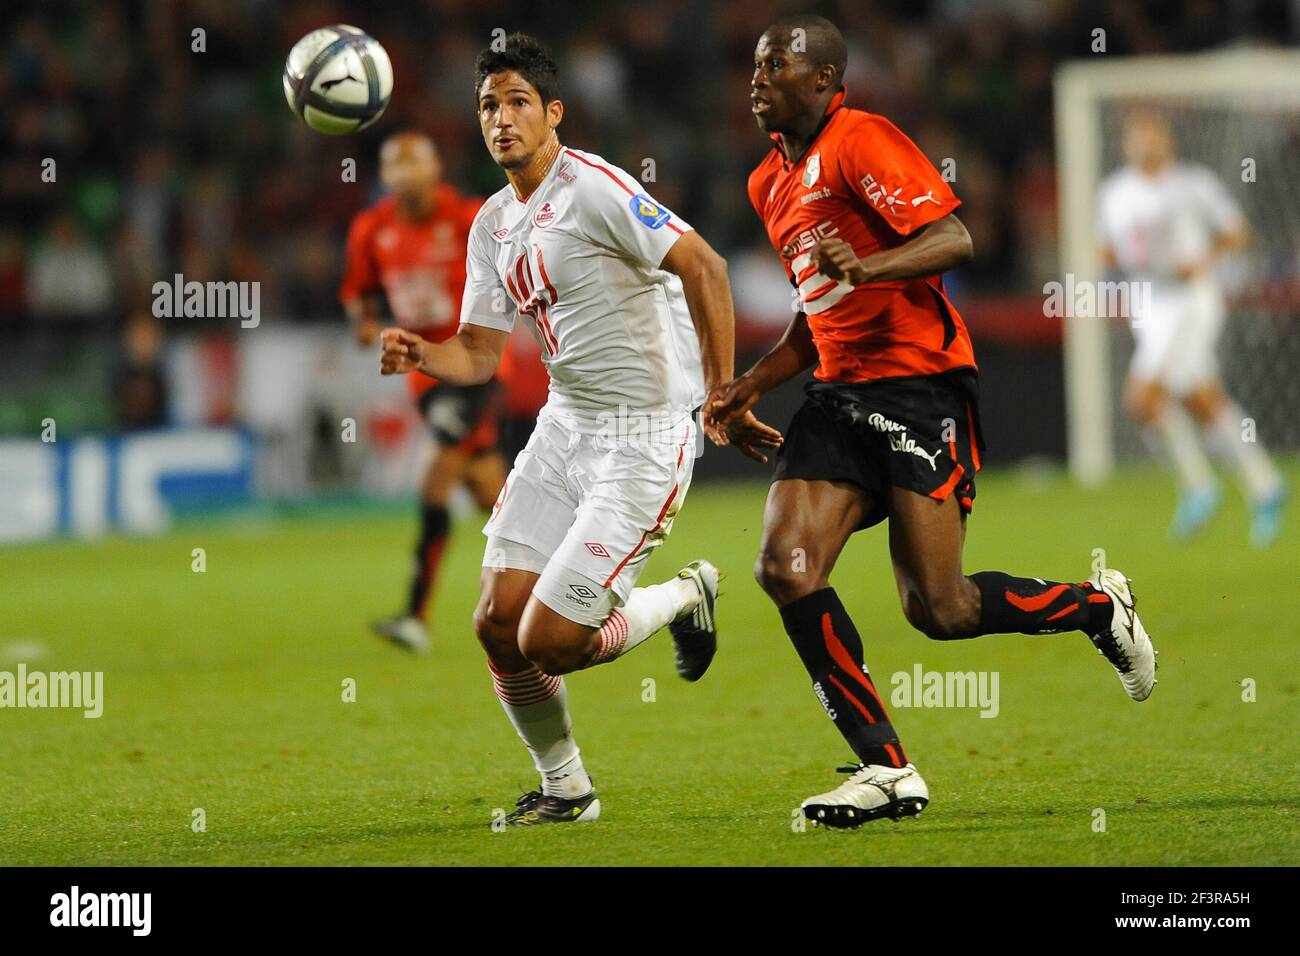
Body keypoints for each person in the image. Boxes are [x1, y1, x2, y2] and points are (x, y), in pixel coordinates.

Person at [706, 15, 1156, 829]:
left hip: (920, 386)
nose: (757, 77)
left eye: (777, 65)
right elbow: (820, 314)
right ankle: (886, 768)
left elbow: (954, 236)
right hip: (839, 395)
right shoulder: (766, 184)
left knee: (939, 610)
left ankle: (1098, 609)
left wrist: (870, 263)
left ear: (823, 80)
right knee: (785, 564)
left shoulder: (862, 141)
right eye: (755, 63)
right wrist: (751, 383)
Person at [380, 34, 777, 825]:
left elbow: (705, 266)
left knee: (552, 641)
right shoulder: (492, 223)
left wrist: (720, 391)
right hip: (566, 427)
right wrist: (422, 352)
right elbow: (481, 355)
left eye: (519, 102)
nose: (502, 118)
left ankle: (683, 595)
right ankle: (567, 789)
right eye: (489, 105)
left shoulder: (594, 187)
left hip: (643, 434)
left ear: (553, 113)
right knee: (497, 623)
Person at [341, 131, 507, 652]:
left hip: (472, 367)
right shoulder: (372, 228)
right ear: (384, 176)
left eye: (417, 161)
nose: (406, 172)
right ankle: (579, 567)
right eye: (395, 164)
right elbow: (358, 291)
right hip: (421, 376)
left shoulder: (468, 217)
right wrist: (365, 323)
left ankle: (416, 615)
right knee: (493, 497)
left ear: (437, 168)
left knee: (435, 481)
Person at [1098, 109, 1285, 546]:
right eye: (1136, 134)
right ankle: (1266, 484)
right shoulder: (1113, 193)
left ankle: (1200, 485)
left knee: (1140, 400)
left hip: (1191, 301)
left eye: (1151, 133)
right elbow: (1106, 250)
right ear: (1127, 144)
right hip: (1147, 305)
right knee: (1203, 400)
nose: (1144, 142)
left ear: (1168, 140)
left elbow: (1237, 233)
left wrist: (1203, 261)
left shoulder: (1193, 183)